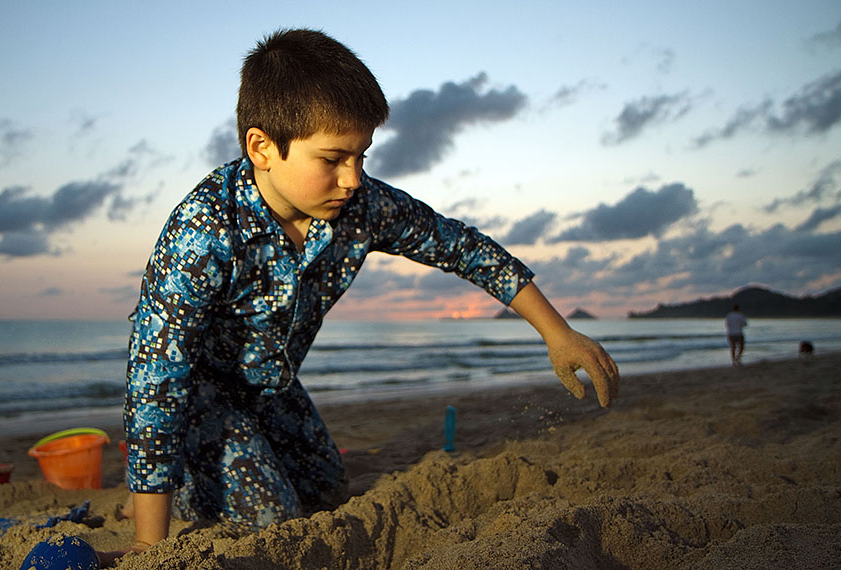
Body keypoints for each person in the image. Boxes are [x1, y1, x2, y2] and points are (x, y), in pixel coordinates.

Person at [109, 28, 619, 563]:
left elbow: (460, 247)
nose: (353, 178)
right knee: (276, 518)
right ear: (261, 147)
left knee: (329, 494)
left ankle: (200, 476)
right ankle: (162, 491)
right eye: (333, 158)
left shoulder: (360, 207)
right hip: (196, 394)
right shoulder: (202, 231)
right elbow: (154, 383)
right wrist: (148, 545)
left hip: (273, 388)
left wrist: (557, 332)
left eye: (361, 156)